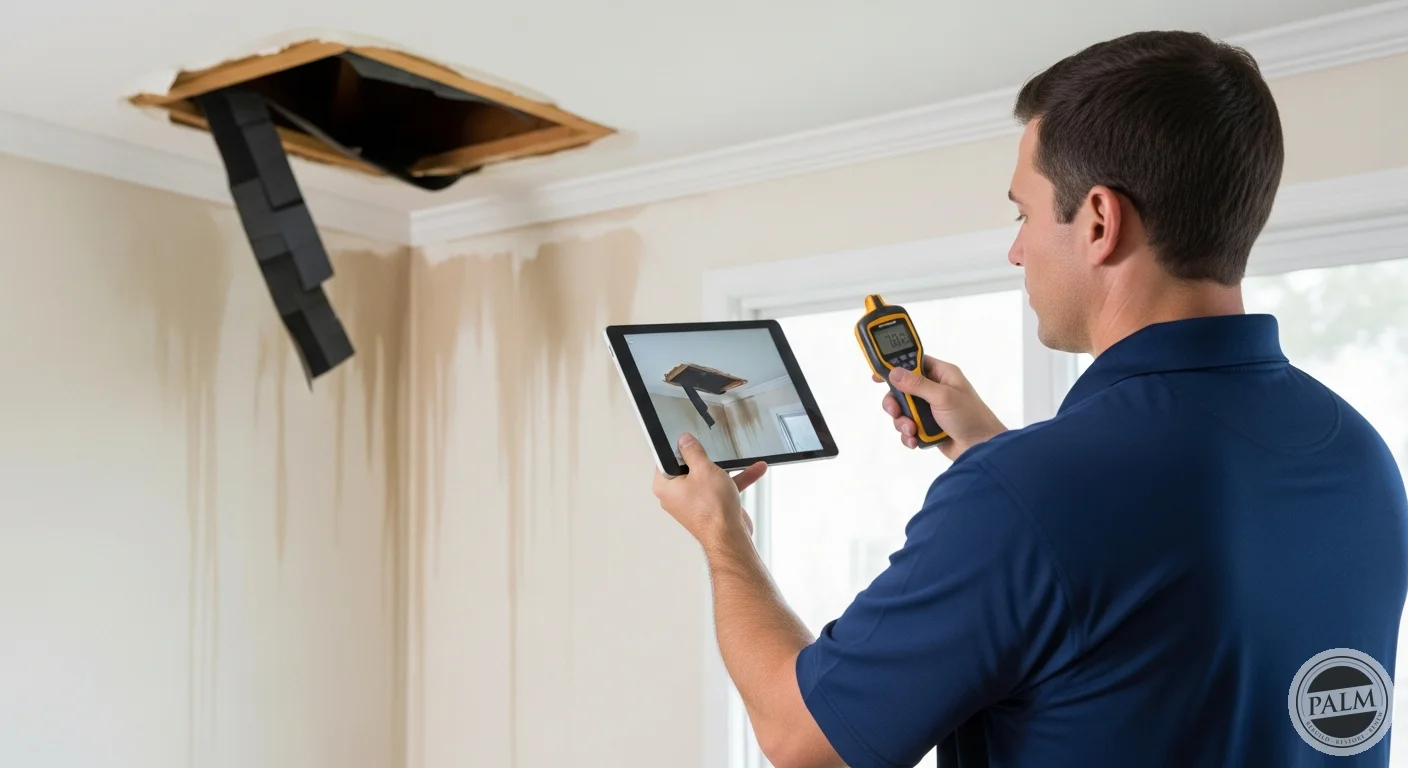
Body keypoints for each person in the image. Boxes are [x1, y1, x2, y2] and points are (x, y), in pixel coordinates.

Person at [650, 30, 1408, 768]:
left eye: (1025, 213)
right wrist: (994, 453)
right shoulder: (1360, 455)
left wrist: (725, 536)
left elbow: (801, 737)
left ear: (1101, 222)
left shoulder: (1024, 495)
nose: (1016, 248)